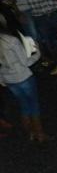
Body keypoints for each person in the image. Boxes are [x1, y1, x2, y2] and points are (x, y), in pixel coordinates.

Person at [0, 11, 51, 141]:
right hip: (22, 76)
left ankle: (31, 133)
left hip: (8, 78)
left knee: (23, 104)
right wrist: (38, 52)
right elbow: (25, 62)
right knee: (34, 104)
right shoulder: (11, 41)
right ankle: (40, 134)